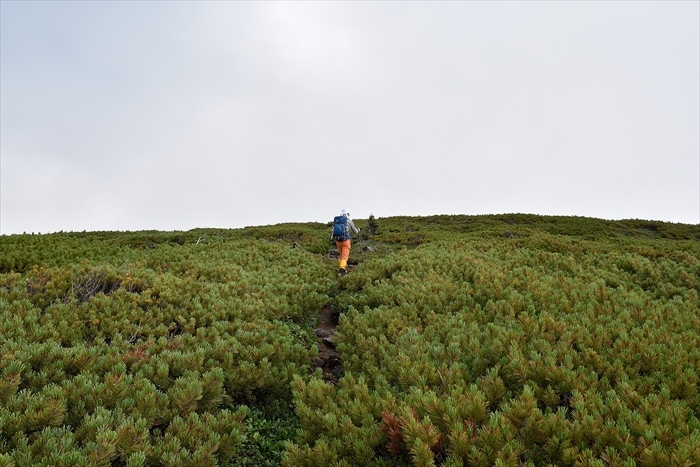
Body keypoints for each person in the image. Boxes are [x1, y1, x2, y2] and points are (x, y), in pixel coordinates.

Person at [331, 208, 359, 276]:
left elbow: (333, 230)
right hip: (346, 240)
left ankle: (344, 269)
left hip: (338, 241)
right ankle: (341, 271)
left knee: (341, 256)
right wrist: (358, 230)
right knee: (344, 257)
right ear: (347, 214)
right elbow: (355, 231)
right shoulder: (349, 221)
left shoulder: (337, 221)